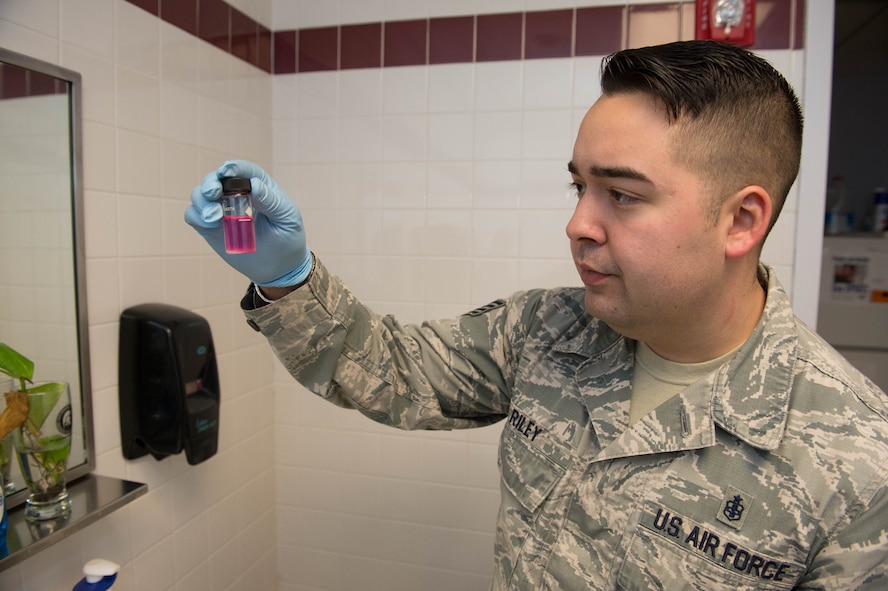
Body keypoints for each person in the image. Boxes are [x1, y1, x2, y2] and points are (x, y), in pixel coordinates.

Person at [185, 40, 888, 590]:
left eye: (623, 194)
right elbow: (394, 372)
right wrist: (287, 276)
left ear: (741, 219)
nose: (578, 223)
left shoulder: (856, 465)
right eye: (580, 186)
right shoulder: (547, 329)